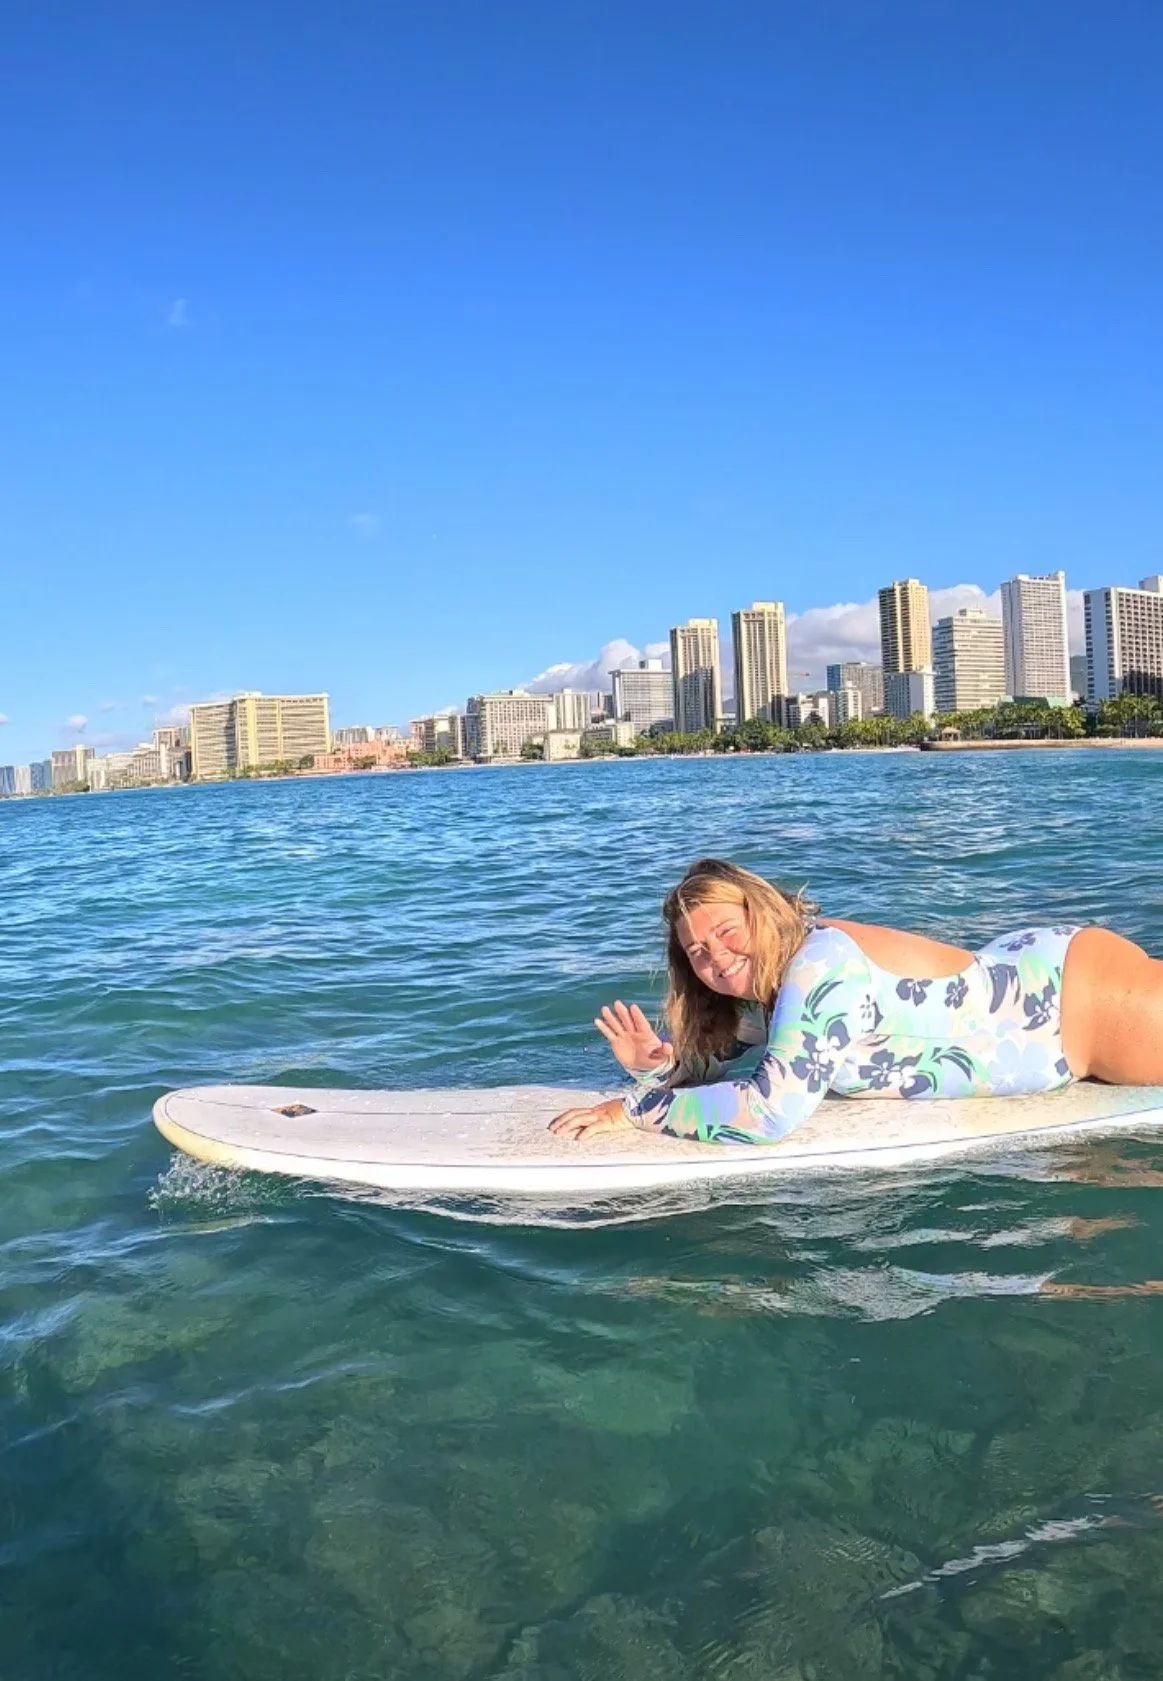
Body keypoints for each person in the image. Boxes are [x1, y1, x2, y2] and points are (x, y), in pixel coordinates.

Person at [549, 857, 1163, 1145]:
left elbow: (769, 1113)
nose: (714, 956)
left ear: (762, 914)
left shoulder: (819, 966)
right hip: (1029, 978)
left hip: (1074, 1011)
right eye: (697, 952)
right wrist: (657, 1065)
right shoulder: (769, 991)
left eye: (725, 932)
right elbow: (722, 1064)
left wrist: (633, 1108)